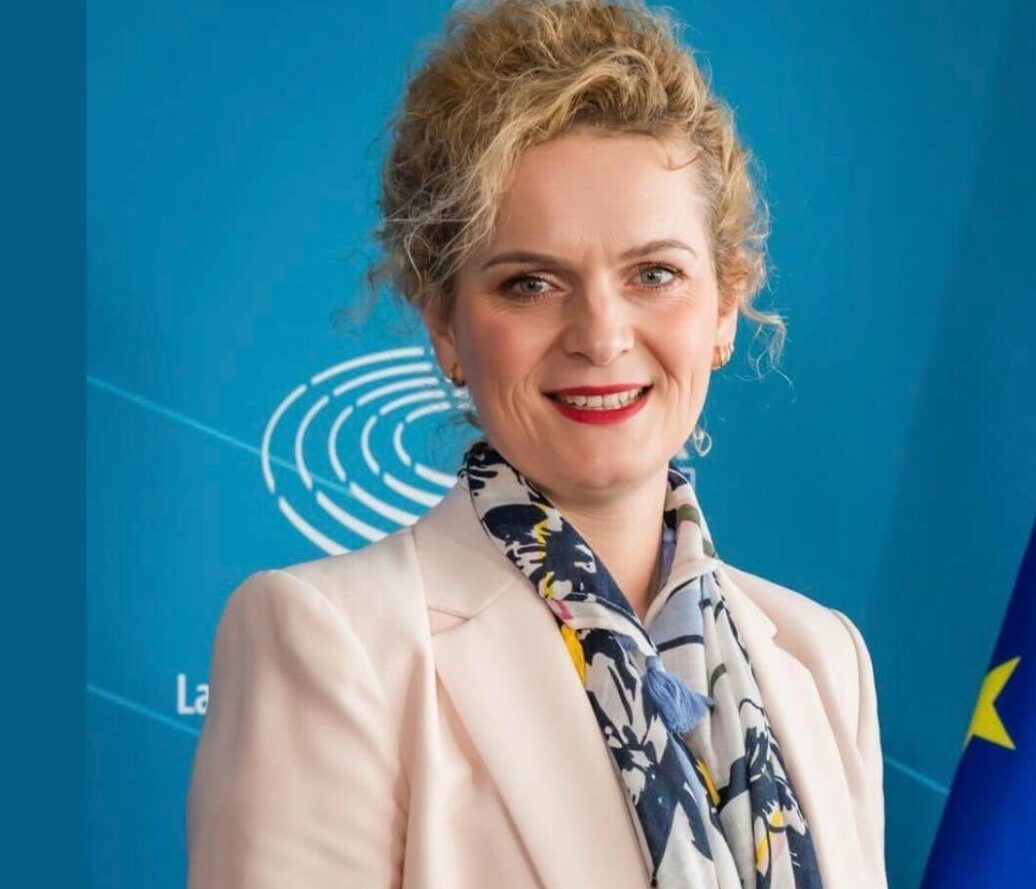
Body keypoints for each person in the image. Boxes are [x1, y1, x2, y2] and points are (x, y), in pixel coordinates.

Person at [185, 1, 887, 887]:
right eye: (530, 282)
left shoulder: (823, 657)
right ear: (445, 324)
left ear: (725, 305)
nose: (601, 335)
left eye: (655, 273)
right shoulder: (331, 641)